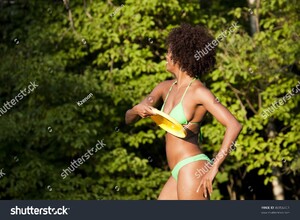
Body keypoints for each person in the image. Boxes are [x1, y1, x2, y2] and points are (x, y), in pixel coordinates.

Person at [125, 23, 242, 200]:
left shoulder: (198, 92)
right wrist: (136, 109)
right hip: (177, 171)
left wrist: (214, 167)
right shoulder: (164, 88)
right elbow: (128, 119)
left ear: (180, 56)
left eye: (169, 52)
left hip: (193, 167)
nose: (166, 56)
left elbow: (234, 125)